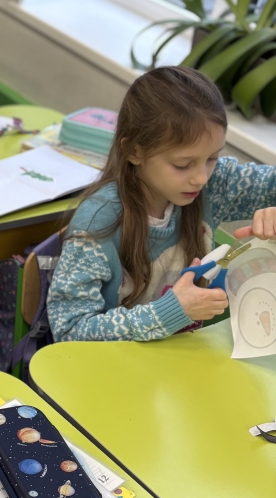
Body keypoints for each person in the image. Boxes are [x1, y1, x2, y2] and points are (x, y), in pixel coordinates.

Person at [48, 66, 276, 342]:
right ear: (134, 151)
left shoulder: (215, 184)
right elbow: (69, 330)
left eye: (212, 158)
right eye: (182, 164)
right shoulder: (98, 222)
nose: (201, 177)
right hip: (111, 366)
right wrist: (171, 311)